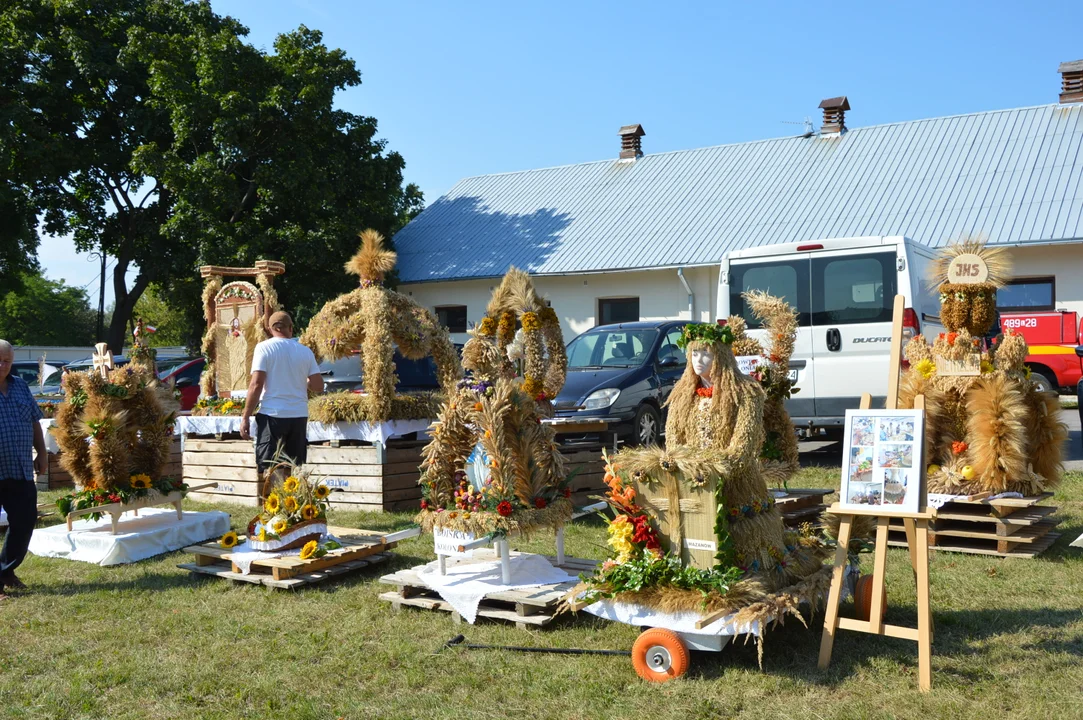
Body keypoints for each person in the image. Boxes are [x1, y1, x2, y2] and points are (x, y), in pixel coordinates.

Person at [238, 312, 323, 489]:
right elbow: (317, 386)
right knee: (292, 467)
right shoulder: (305, 351)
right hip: (298, 415)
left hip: (273, 415)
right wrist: (301, 382)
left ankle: (277, 508)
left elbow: (256, 384)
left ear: (270, 329)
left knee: (271, 466)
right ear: (290, 328)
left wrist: (245, 416)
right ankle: (291, 507)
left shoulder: (264, 348)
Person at [0, 339, 48, 600]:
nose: (2, 365)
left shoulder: (20, 387)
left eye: (7, 360)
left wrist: (41, 453)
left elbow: (34, 422)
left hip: (19, 467)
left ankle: (6, 571)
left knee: (25, 520)